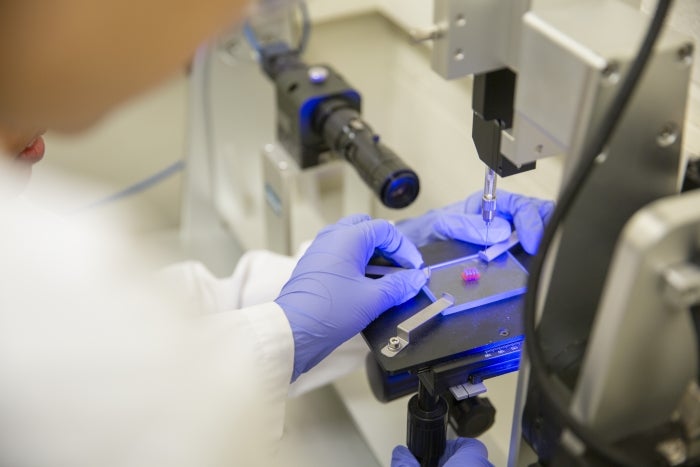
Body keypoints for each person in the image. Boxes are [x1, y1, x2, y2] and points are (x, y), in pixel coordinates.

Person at [0, 1, 553, 466]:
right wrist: (294, 329)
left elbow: (161, 318)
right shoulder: (54, 297)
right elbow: (118, 386)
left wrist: (413, 249)